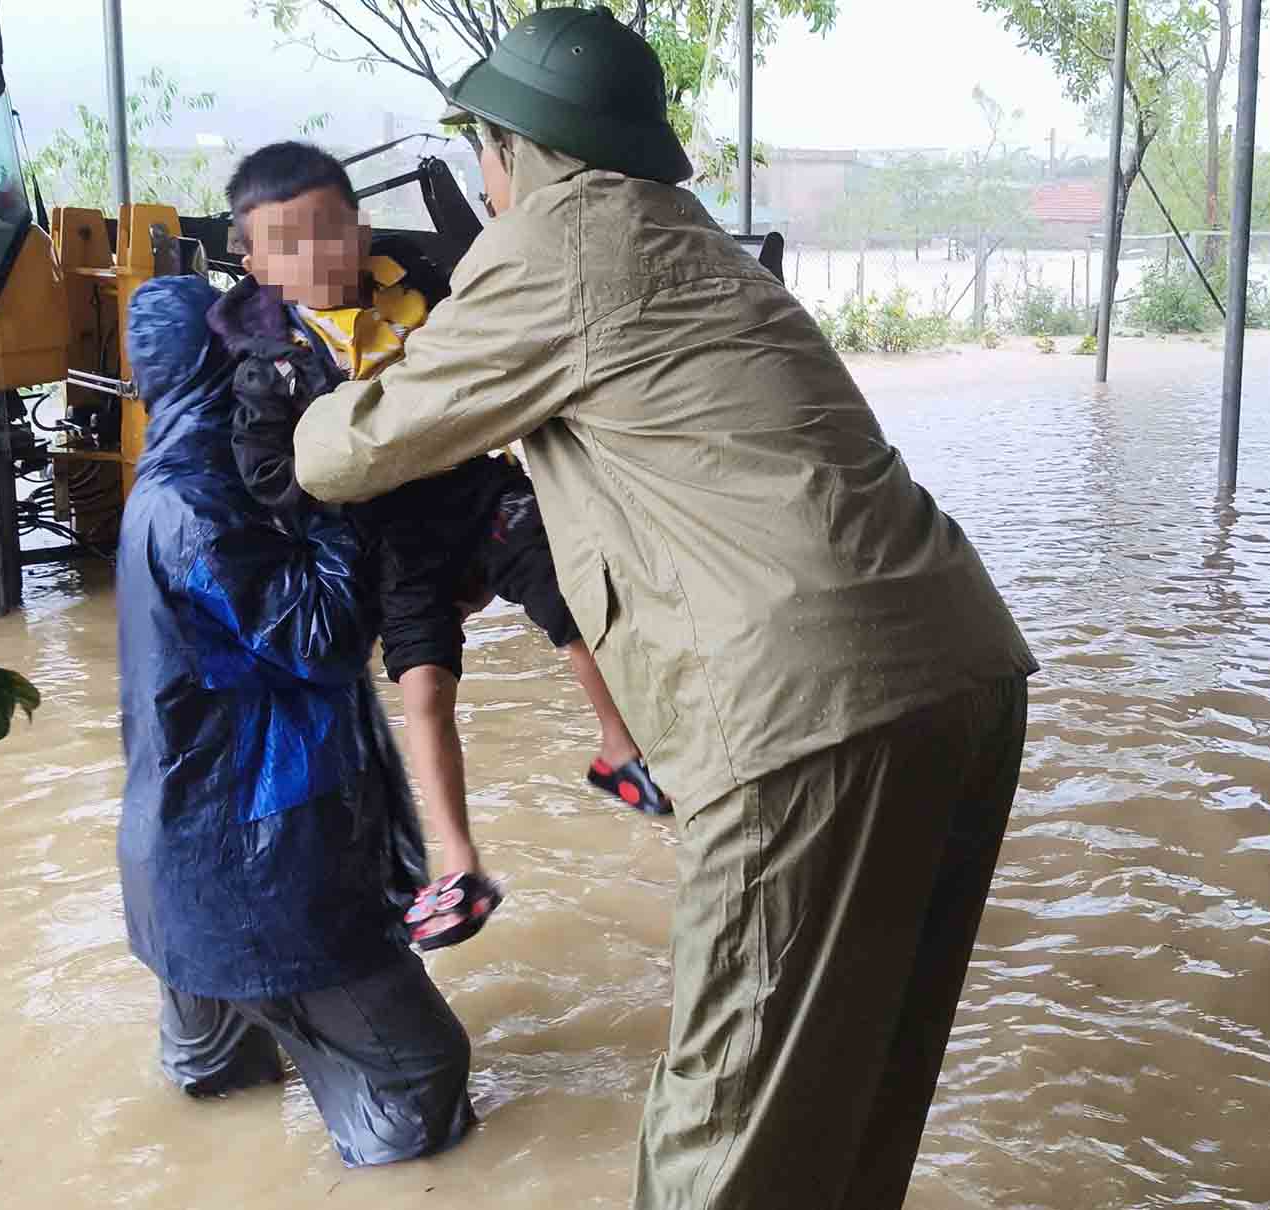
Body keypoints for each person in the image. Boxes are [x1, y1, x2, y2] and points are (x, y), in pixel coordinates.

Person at [289, 9, 1040, 1208]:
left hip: (806, 711)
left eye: (482, 152)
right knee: (856, 1081)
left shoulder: (556, 243)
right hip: (961, 677)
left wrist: (309, 375)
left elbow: (347, 452)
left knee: (726, 1112)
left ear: (514, 149)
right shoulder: (690, 240)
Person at [208, 141, 672, 946]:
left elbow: (503, 344)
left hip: (477, 491)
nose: (314, 255)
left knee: (576, 595)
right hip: (389, 536)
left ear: (360, 230)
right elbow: (271, 479)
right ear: (253, 266)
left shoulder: (423, 278)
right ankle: (459, 867)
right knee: (423, 684)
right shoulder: (265, 369)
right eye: (286, 244)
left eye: (328, 230)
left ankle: (619, 744)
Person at [115, 272, 475, 1166]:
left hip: (178, 873)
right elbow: (321, 638)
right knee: (421, 1081)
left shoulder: (162, 484)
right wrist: (337, 495)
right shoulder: (208, 499)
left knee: (218, 1092)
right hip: (267, 873)